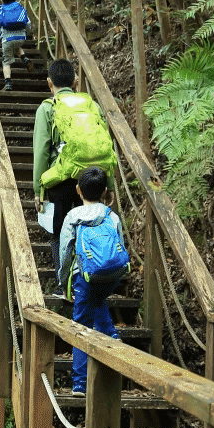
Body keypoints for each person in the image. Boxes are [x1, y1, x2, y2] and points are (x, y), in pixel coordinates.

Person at [32, 58, 117, 290]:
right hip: (91, 178)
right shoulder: (92, 105)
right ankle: (93, 277)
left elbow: (41, 151)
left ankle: (64, 284)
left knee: (59, 232)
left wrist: (38, 189)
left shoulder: (47, 108)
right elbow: (105, 144)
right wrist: (108, 182)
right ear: (76, 81)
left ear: (50, 83)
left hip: (61, 180)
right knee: (89, 227)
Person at [56, 167, 127, 395]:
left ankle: (79, 382)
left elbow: (65, 252)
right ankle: (111, 333)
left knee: (81, 325)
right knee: (98, 299)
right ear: (105, 191)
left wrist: (63, 279)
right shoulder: (112, 215)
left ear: (78, 190)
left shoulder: (74, 217)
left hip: (85, 277)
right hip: (112, 276)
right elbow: (120, 246)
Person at [0, 0, 35, 91]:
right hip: (20, 38)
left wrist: (0, 40)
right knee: (15, 45)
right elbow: (28, 23)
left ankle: (8, 84)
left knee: (6, 62)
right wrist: (25, 34)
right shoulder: (21, 9)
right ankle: (25, 59)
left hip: (7, 39)